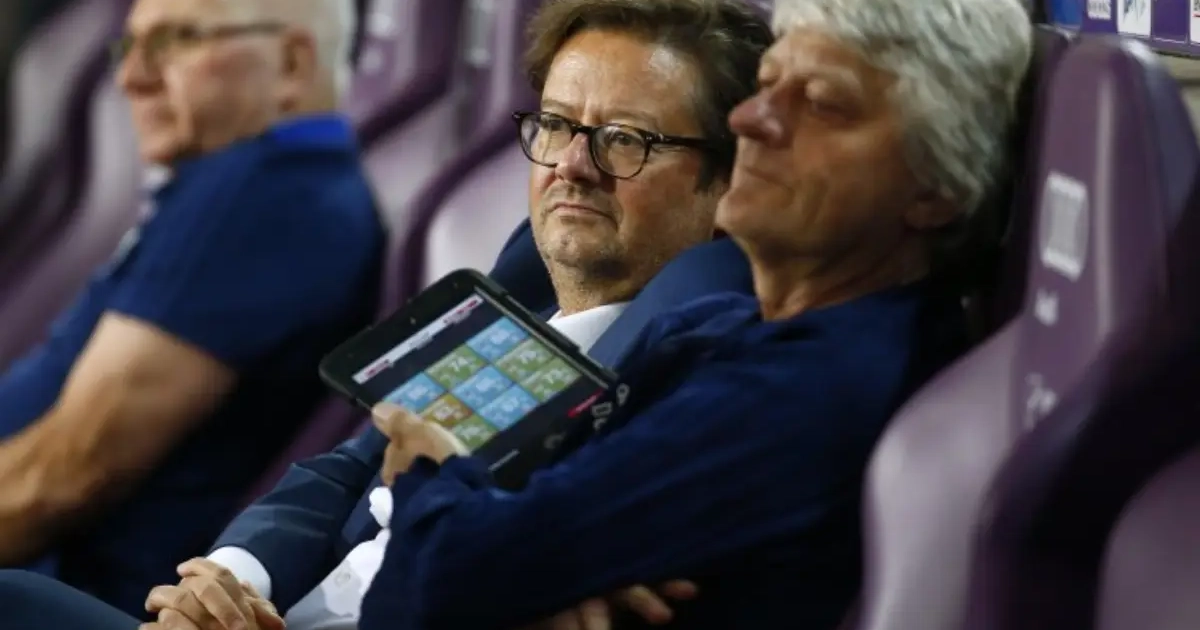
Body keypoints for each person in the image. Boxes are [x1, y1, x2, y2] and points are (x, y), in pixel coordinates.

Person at [0, 1, 772, 629]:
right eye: (557, 126)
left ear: (726, 184)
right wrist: (232, 581)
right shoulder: (529, 273)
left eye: (625, 141)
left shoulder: (703, 359)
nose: (573, 165)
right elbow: (348, 466)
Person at [334, 0, 1028, 626]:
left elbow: (433, 584)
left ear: (936, 189)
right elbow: (510, 533)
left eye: (821, 103)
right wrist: (534, 577)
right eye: (768, 86)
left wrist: (430, 472)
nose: (752, 120)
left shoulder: (808, 388)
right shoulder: (714, 328)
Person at [0, 0, 382, 615]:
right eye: (130, 47)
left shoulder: (262, 195)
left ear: (290, 63)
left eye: (175, 41)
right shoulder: (236, 179)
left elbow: (63, 477)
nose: (132, 77)